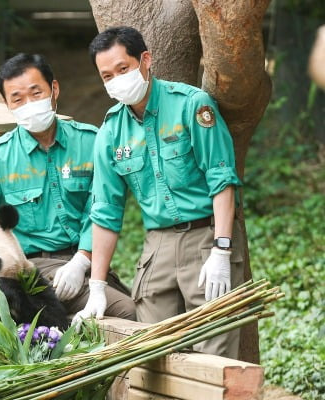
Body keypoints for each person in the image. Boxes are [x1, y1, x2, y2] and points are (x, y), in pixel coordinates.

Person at [74, 26, 245, 359]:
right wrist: (96, 287)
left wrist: (221, 250)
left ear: (146, 60)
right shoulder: (110, 132)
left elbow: (221, 178)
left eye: (123, 69)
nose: (116, 80)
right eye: (107, 76)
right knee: (154, 356)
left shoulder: (191, 105)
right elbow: (106, 211)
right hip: (158, 248)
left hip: (205, 238)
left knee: (215, 351)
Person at [0, 53, 135, 321]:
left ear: (54, 90)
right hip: (29, 268)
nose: (29, 104)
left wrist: (81, 260)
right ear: (7, 103)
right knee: (124, 312)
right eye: (18, 99)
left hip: (84, 262)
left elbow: (100, 208)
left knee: (130, 309)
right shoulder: (0, 157)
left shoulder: (90, 142)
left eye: (36, 93)